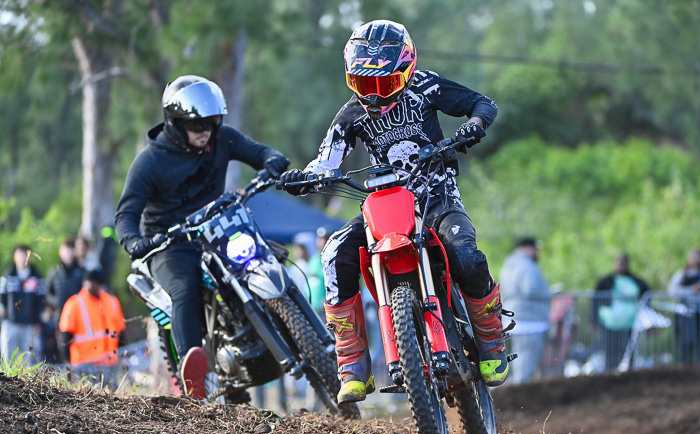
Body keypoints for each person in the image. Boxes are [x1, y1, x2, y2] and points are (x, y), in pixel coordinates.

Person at [280, 20, 509, 405]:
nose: (373, 95)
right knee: (335, 253)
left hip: (437, 195)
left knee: (465, 254)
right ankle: (352, 363)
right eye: (363, 84)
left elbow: (482, 103)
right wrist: (304, 178)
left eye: (383, 84)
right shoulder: (350, 115)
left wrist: (473, 125)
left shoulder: (426, 86)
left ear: (405, 70)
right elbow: (326, 162)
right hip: (385, 205)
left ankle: (491, 338)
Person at [115, 75, 290, 399]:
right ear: (175, 122)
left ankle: (297, 335)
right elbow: (125, 215)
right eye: (197, 125)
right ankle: (193, 374)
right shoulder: (149, 162)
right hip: (169, 243)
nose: (205, 131)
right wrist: (135, 242)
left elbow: (260, 152)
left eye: (211, 123)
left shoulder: (223, 139)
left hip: (217, 232)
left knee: (263, 257)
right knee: (185, 289)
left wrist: (272, 163)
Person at [499, 237, 550, 383]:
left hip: (512, 320)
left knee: (515, 361)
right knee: (526, 361)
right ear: (528, 248)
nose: (537, 253)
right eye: (536, 249)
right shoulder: (527, 265)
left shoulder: (509, 264)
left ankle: (512, 394)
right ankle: (519, 398)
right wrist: (548, 293)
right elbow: (531, 289)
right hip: (529, 321)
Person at [593, 253, 650, 372]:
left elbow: (647, 299)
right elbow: (595, 301)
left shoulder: (637, 282)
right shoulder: (605, 282)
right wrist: (593, 321)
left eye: (623, 261)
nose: (621, 264)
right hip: (609, 325)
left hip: (630, 325)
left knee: (628, 356)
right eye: (618, 261)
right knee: (610, 356)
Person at [58, 269, 126, 368]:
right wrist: (67, 364)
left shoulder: (112, 302)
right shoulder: (74, 304)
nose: (91, 285)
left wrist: (123, 358)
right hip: (84, 366)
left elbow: (121, 333)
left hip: (110, 364)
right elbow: (65, 338)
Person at [667, 247, 700, 366]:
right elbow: (672, 290)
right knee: (684, 344)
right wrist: (690, 290)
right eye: (691, 257)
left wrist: (699, 292)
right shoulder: (680, 274)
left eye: (696, 257)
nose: (694, 260)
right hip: (684, 316)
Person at [0, 245, 46, 365]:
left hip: (29, 325)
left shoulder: (37, 277)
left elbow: (41, 300)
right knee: (8, 358)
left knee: (29, 359)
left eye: (25, 254)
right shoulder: (8, 276)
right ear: (14, 257)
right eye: (19, 255)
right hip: (10, 323)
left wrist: (38, 320)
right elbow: (2, 297)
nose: (22, 258)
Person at [46, 238, 85, 325]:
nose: (68, 254)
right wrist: (57, 302)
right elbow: (47, 293)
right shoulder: (54, 272)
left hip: (79, 315)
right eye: (66, 250)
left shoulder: (82, 271)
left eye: (71, 250)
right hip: (60, 315)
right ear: (60, 252)